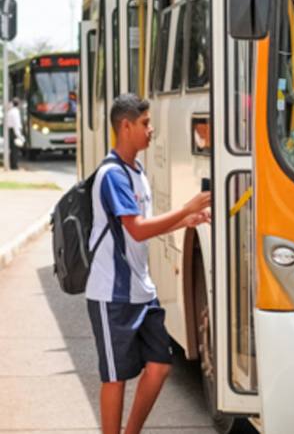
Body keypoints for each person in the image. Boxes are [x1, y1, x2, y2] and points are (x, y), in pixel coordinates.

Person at [85, 93, 211, 434]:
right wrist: (185, 209)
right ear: (125, 126)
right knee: (115, 378)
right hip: (112, 294)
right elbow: (137, 230)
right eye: (145, 123)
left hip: (141, 290)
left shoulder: (137, 171)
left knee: (159, 365)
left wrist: (186, 222)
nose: (151, 129)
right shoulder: (112, 175)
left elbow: (143, 226)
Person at [5, 97, 23, 169]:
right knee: (15, 150)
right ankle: (14, 166)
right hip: (14, 131)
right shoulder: (16, 112)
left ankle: (12, 165)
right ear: (18, 104)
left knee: (12, 149)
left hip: (10, 131)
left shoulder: (10, 111)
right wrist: (19, 135)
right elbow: (16, 124)